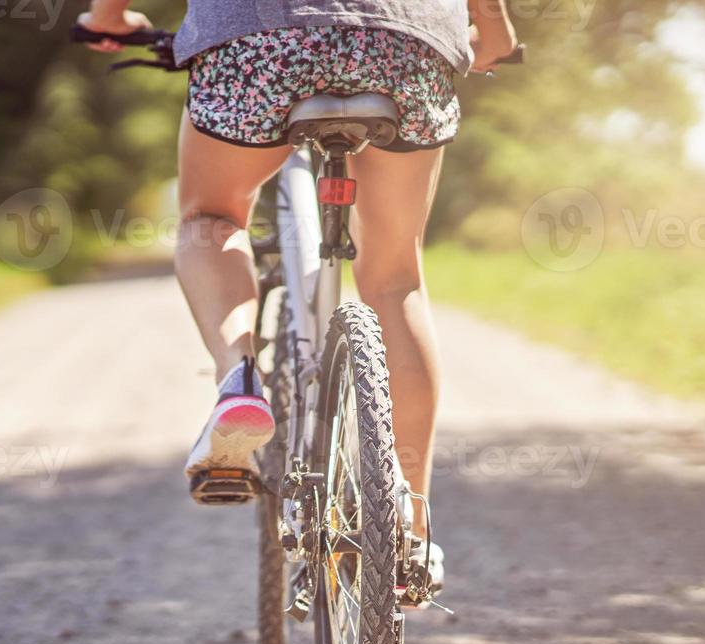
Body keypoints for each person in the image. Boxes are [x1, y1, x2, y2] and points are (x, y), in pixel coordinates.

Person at [78, 0, 519, 597]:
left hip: (256, 42)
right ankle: (410, 527)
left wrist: (107, 19)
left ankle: (238, 385)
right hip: (402, 44)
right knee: (394, 277)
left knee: (212, 217)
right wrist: (492, 33)